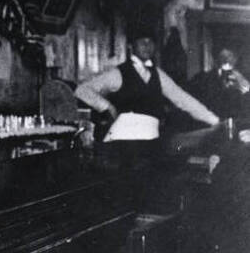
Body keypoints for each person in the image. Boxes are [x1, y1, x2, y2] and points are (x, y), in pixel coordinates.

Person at [75, 25, 219, 159]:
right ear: (131, 46)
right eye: (142, 42)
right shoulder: (118, 73)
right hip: (123, 142)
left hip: (150, 139)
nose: (147, 46)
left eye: (150, 42)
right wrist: (107, 107)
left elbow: (183, 99)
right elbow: (82, 90)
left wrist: (214, 120)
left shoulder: (157, 74)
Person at [189, 47, 250, 122]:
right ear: (215, 59)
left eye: (231, 56)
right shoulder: (201, 79)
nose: (228, 60)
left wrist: (246, 91)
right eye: (224, 58)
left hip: (237, 125)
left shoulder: (243, 79)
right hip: (209, 125)